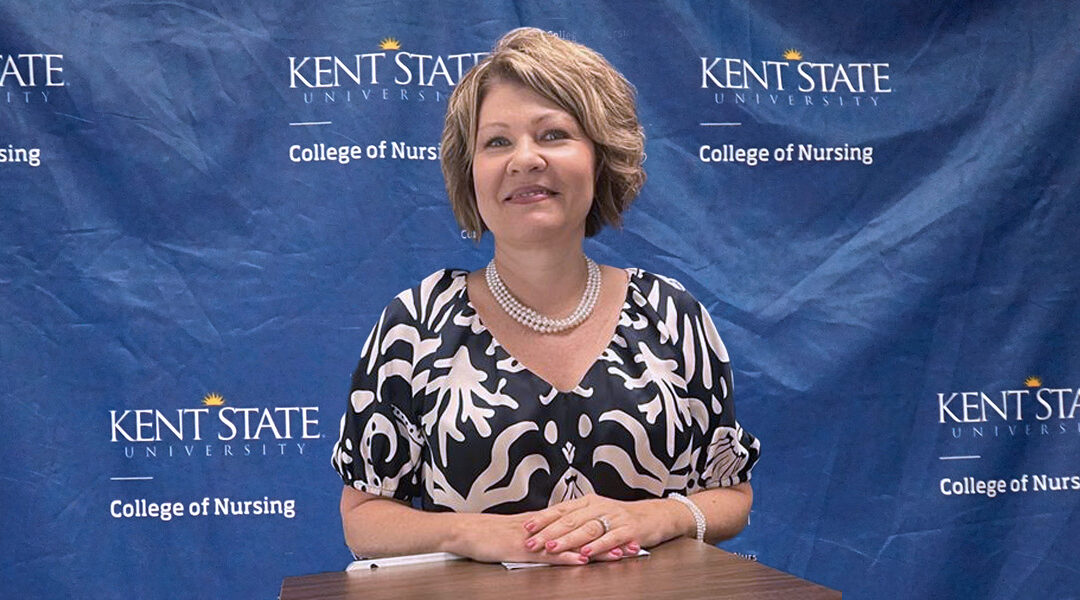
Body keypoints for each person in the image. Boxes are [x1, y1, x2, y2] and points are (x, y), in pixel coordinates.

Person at [332, 27, 760, 566]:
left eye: (553, 134)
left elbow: (732, 496)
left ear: (601, 158)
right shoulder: (415, 324)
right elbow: (363, 518)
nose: (525, 159)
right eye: (497, 142)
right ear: (470, 176)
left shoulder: (673, 316)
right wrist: (467, 534)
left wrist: (661, 517)